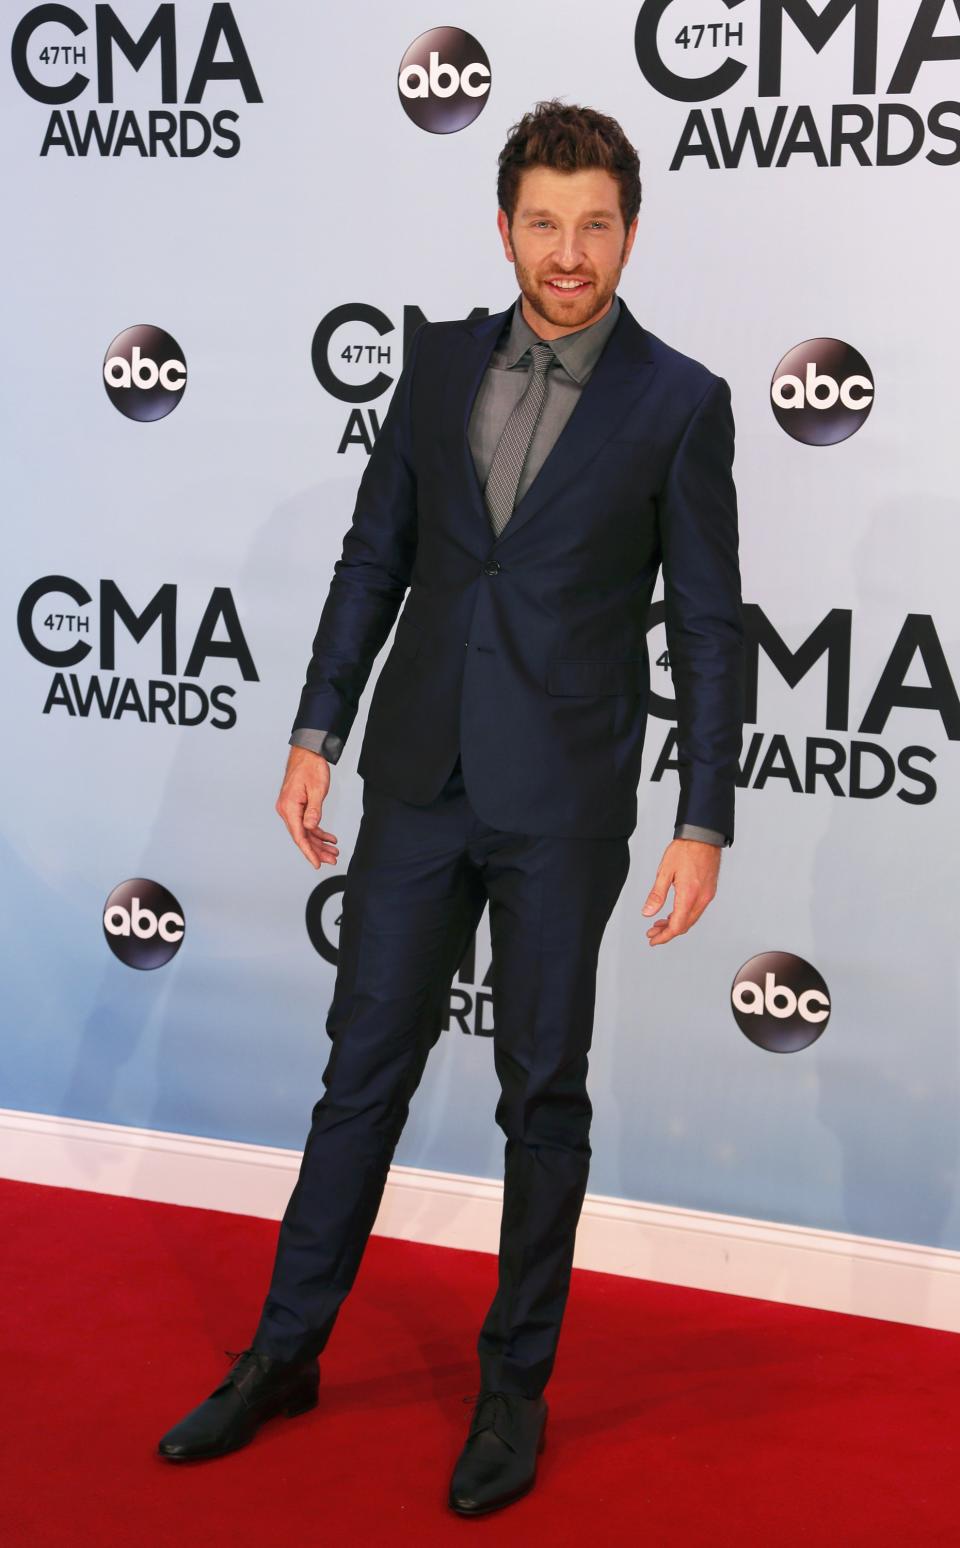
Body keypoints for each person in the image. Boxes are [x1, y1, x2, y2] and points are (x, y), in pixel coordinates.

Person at [157, 99, 745, 1516]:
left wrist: (704, 814)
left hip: (562, 803)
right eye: (543, 222)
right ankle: (285, 1351)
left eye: (595, 223)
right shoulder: (429, 367)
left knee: (541, 1093)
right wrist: (316, 728)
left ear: (631, 231)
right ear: (504, 227)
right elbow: (378, 558)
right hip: (416, 779)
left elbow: (713, 625)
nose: (569, 251)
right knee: (360, 1073)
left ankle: (512, 1393)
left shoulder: (681, 401)